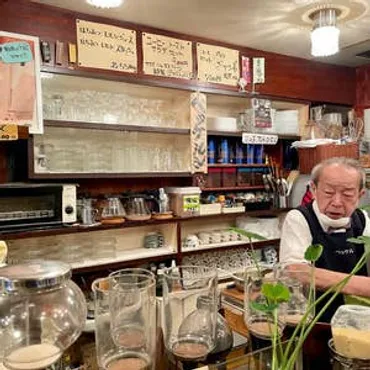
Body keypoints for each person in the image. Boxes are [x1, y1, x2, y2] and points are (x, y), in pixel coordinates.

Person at [280, 157, 370, 322]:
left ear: (360, 195)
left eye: (348, 194)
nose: (336, 202)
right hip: (312, 319)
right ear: (313, 189)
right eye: (328, 193)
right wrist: (363, 286)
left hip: (354, 318)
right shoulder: (299, 218)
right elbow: (295, 270)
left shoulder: (361, 219)